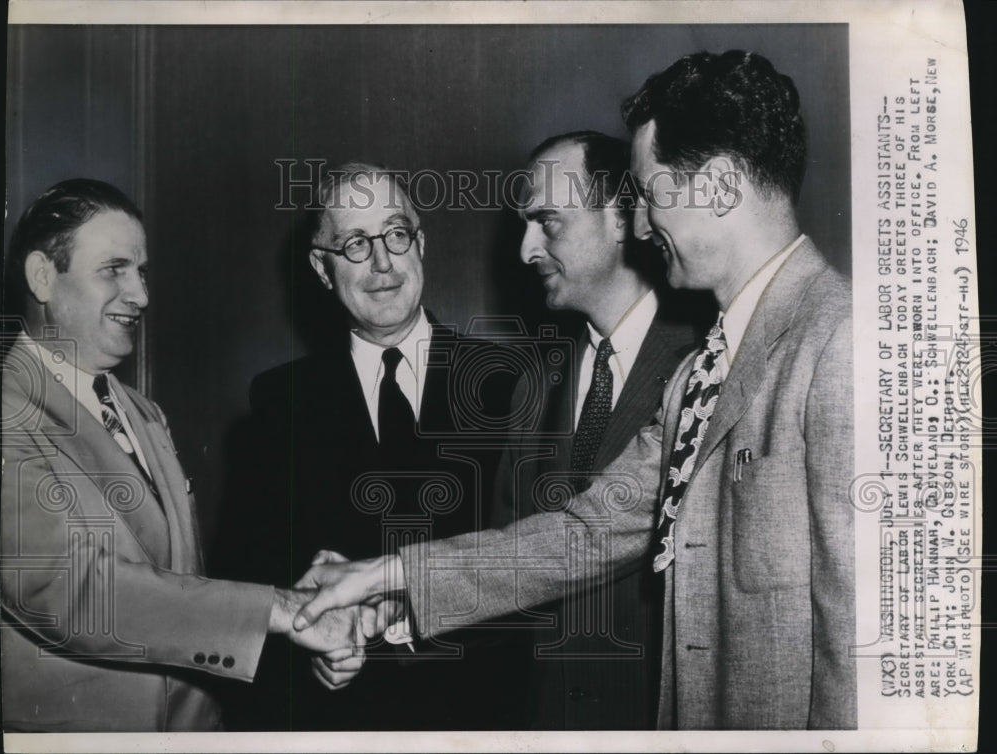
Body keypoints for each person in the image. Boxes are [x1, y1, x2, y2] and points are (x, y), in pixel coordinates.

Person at [297, 50, 857, 730]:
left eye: (650, 194)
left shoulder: (840, 343)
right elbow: (581, 536)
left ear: (716, 187)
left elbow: (862, 650)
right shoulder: (701, 374)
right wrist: (383, 576)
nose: (645, 226)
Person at [0, 179, 368, 732]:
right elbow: (72, 589)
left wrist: (307, 613)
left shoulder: (144, 413)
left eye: (141, 272)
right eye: (114, 269)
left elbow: (180, 585)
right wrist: (281, 611)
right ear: (41, 277)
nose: (141, 295)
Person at [215, 163, 518, 730]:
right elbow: (247, 575)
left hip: (485, 717)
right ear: (321, 268)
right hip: (340, 721)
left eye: (396, 234)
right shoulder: (280, 400)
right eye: (355, 243)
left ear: (420, 244)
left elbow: (541, 561)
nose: (382, 262)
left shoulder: (510, 380)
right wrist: (314, 643)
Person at [490, 131, 693, 729]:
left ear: (623, 217)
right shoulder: (531, 386)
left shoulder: (709, 365)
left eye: (547, 222)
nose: (526, 250)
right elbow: (506, 568)